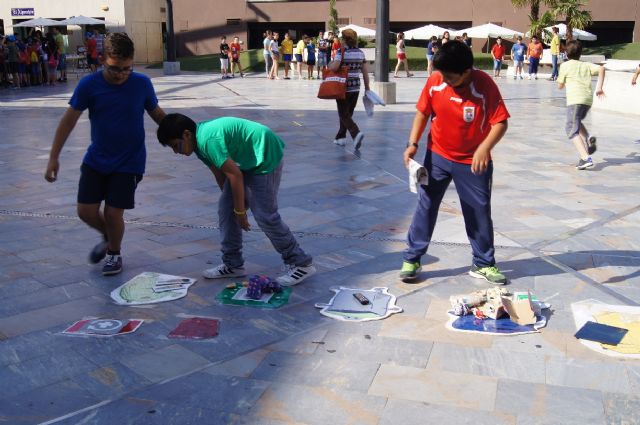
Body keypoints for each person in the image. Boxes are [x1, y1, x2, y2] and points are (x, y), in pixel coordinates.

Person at [44, 33, 166, 276]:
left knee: (113, 212)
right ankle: (108, 235)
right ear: (102, 60)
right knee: (85, 212)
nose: (121, 74)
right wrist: (53, 157)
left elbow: (159, 116)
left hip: (129, 162)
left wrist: (185, 134)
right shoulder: (89, 85)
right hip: (96, 159)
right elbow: (68, 122)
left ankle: (114, 253)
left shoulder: (141, 84)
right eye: (114, 69)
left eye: (126, 69)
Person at [156, 114, 317, 286]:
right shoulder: (198, 144)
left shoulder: (208, 140)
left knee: (264, 215)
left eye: (176, 146)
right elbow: (220, 173)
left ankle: (300, 263)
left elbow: (235, 175)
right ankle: (233, 264)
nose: (176, 152)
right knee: (225, 209)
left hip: (263, 152)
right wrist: (233, 203)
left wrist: (240, 211)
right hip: (245, 159)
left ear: (186, 134)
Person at [400, 40, 510, 285]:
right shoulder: (435, 81)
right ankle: (412, 258)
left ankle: (483, 263)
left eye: (451, 77)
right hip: (437, 156)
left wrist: (484, 148)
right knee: (426, 205)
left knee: (478, 210)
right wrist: (413, 143)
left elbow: (500, 122)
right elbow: (423, 112)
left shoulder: (484, 85)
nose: (446, 81)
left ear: (467, 72)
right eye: (443, 75)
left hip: (473, 162)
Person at [557, 40, 605, 170]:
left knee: (570, 128)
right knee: (576, 120)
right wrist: (599, 87)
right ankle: (588, 138)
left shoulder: (565, 66)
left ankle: (585, 158)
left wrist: (563, 82)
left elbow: (560, 85)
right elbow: (601, 68)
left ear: (566, 54)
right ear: (580, 53)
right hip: (587, 100)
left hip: (575, 100)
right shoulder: (586, 65)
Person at [328, 28, 370, 150]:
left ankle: (356, 133)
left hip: (342, 86)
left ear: (344, 39)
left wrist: (330, 64)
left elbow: (335, 67)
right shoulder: (360, 53)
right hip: (355, 87)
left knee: (343, 114)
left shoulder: (342, 52)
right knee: (348, 113)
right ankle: (340, 138)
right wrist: (367, 88)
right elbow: (365, 72)